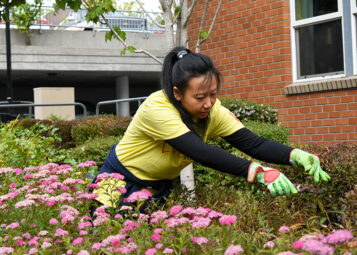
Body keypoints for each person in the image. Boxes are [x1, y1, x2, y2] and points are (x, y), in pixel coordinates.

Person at [92, 46, 331, 213]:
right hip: (118, 182)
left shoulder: (212, 110)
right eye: (199, 97)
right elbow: (199, 152)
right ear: (177, 93)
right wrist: (259, 173)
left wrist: (294, 155)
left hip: (157, 188)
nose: (208, 103)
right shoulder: (157, 107)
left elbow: (253, 143)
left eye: (213, 94)